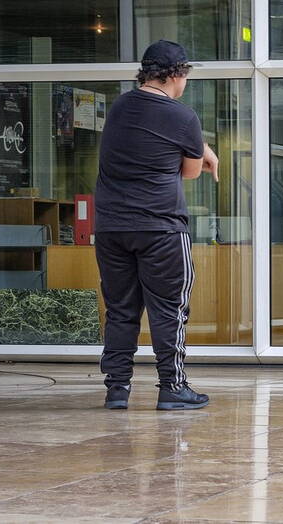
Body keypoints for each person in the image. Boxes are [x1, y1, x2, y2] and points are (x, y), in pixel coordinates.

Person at [95, 40, 219, 410]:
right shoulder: (183, 116)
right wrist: (201, 149)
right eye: (184, 76)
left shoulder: (119, 108)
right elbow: (191, 171)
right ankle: (172, 387)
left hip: (112, 227)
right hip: (160, 228)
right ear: (175, 75)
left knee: (120, 309)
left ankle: (117, 389)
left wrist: (198, 144)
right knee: (169, 309)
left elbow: (151, 137)